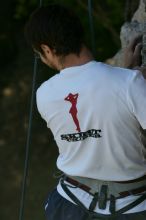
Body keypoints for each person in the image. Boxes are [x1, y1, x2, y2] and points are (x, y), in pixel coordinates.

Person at [25, 4, 146, 220]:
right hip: (132, 206)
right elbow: (109, 100)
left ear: (46, 49)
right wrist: (130, 77)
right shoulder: (129, 83)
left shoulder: (44, 94)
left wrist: (127, 76)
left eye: (39, 54)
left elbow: (95, 109)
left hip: (69, 206)